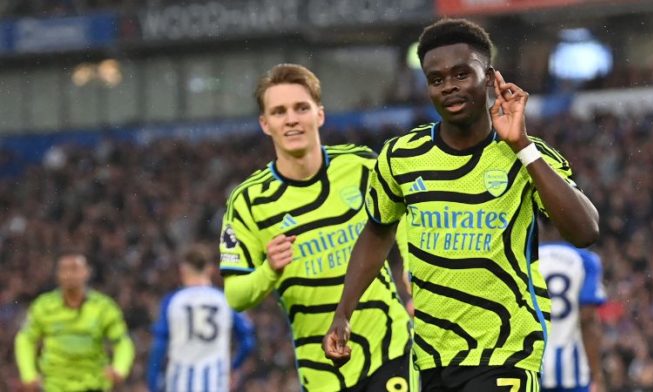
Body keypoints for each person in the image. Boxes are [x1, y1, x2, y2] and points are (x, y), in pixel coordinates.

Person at [323, 17, 600, 392]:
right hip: (432, 356)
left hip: (505, 354)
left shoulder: (528, 156)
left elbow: (585, 231)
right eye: (436, 80)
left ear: (488, 78)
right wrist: (343, 311)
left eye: (460, 75)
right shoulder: (402, 157)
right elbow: (376, 231)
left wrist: (522, 146)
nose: (449, 87)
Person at [219, 63, 413, 391]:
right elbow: (235, 295)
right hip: (321, 372)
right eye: (279, 112)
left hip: (390, 350)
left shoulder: (362, 166)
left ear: (319, 115)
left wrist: (411, 268)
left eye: (301, 108)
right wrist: (269, 270)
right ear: (266, 124)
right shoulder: (249, 203)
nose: (291, 118)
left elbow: (407, 214)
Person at [14, 250, 135, 392]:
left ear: (87, 272)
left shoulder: (103, 307)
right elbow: (25, 339)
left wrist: (120, 368)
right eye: (64, 270)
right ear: (57, 275)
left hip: (93, 384)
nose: (69, 275)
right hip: (54, 385)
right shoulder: (43, 306)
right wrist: (28, 375)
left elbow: (122, 341)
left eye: (75, 269)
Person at [147, 244, 255, 392]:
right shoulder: (225, 300)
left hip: (180, 383)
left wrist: (153, 383)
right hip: (215, 383)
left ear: (183, 270)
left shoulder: (172, 301)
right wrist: (234, 367)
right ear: (210, 270)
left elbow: (159, 346)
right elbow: (247, 342)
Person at [538, 220, 607, 392]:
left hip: (532, 367)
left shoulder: (524, 258)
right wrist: (597, 376)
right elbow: (588, 318)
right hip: (572, 373)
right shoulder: (585, 260)